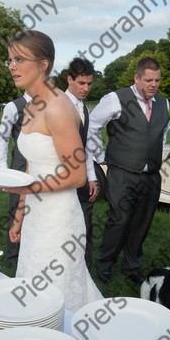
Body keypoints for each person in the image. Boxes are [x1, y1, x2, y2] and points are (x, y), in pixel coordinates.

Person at [2, 30, 103, 311]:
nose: (12, 66)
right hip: (36, 214)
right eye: (10, 60)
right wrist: (20, 214)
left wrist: (29, 189)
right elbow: (32, 166)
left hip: (59, 218)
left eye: (20, 59)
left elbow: (77, 175)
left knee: (55, 292)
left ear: (44, 64)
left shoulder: (58, 107)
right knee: (32, 284)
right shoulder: (31, 106)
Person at [88, 57, 170, 284]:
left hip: (152, 176)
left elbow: (163, 130)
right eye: (148, 80)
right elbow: (92, 126)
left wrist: (154, 154)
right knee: (120, 220)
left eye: (157, 80)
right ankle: (105, 263)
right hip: (122, 173)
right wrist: (100, 155)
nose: (153, 84)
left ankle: (132, 266)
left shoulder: (164, 102)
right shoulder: (115, 99)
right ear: (136, 78)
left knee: (142, 222)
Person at [63, 58, 98, 268]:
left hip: (83, 179)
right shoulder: (56, 105)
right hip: (60, 179)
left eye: (89, 84)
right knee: (65, 226)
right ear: (69, 79)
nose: (86, 88)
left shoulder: (84, 108)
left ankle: (83, 268)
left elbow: (87, 146)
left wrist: (92, 177)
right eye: (81, 83)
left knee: (85, 225)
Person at [0, 91, 32, 268]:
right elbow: (3, 138)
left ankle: (31, 248)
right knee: (16, 205)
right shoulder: (13, 106)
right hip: (20, 161)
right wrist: (4, 170)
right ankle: (13, 256)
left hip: (42, 163)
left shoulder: (49, 102)